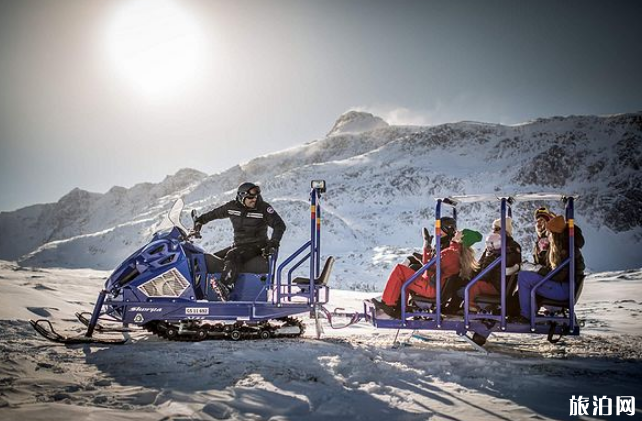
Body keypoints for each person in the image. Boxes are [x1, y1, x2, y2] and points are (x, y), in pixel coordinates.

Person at [194, 182, 286, 300]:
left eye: (256, 197)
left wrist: (273, 242)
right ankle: (203, 293)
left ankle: (226, 286)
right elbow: (215, 213)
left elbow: (280, 225)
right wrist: (200, 221)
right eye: (250, 198)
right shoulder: (232, 207)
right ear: (242, 197)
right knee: (210, 259)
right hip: (240, 245)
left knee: (233, 254)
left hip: (258, 246)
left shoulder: (263, 208)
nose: (254, 200)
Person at [373, 227, 482, 318]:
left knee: (400, 270)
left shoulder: (451, 253)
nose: (457, 232)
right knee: (406, 275)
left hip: (431, 287)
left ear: (462, 238)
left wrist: (426, 247)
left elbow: (429, 265)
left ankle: (388, 304)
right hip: (434, 284)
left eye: (460, 232)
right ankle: (400, 308)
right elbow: (432, 264)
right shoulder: (456, 252)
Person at [516, 214, 585, 321]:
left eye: (550, 233)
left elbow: (558, 275)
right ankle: (529, 311)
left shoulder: (564, 249)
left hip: (564, 289)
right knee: (527, 277)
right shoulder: (566, 245)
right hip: (566, 287)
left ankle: (527, 315)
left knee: (524, 277)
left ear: (555, 234)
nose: (548, 236)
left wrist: (536, 269)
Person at [466, 218, 522, 310]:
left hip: (498, 285)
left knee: (474, 286)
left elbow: (507, 262)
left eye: (497, 229)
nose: (493, 231)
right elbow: (481, 264)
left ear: (505, 231)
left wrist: (497, 252)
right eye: (493, 229)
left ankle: (471, 309)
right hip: (490, 281)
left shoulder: (511, 246)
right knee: (467, 281)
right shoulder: (492, 245)